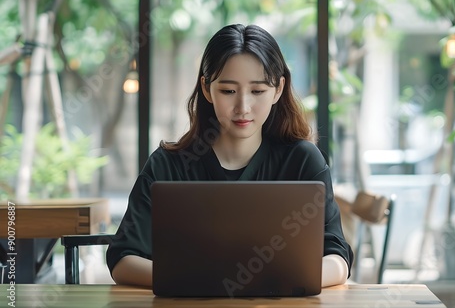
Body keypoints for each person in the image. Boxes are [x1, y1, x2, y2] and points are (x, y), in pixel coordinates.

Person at [106, 23, 353, 288]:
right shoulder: (168, 165)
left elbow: (337, 257)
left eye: (258, 91)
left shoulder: (303, 161)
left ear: (278, 90)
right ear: (206, 88)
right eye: (228, 91)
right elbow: (123, 260)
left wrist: (262, 281)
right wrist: (210, 282)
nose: (243, 107)